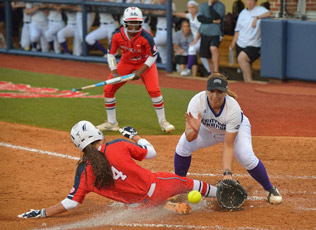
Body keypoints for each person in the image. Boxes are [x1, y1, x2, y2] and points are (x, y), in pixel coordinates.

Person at [17, 120, 217, 218]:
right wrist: (134, 135)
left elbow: (70, 203)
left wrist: (42, 212)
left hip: (138, 208)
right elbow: (151, 152)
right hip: (157, 188)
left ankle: (169, 206)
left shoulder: (83, 171)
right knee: (188, 183)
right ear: (97, 133)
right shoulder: (117, 145)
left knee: (135, 200)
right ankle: (221, 194)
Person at [173, 73, 283, 205]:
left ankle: (269, 188)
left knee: (246, 157)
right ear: (206, 90)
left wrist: (227, 173)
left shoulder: (233, 109)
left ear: (225, 92)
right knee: (182, 146)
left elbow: (228, 144)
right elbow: (189, 138)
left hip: (236, 130)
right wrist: (195, 130)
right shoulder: (197, 102)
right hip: (207, 130)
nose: (215, 95)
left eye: (219, 92)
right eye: (212, 91)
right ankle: (178, 185)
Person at [96, 7, 175, 133]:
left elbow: (153, 55)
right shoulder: (117, 35)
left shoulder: (146, 36)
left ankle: (163, 122)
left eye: (136, 22)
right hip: (126, 63)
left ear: (141, 23)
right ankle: (111, 123)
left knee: (154, 90)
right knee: (108, 89)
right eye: (131, 22)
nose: (133, 26)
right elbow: (111, 54)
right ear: (125, 22)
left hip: (145, 64)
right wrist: (114, 70)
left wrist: (141, 71)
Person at [230, 0, 270, 82]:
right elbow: (237, 30)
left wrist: (257, 18)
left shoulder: (260, 10)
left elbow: (270, 13)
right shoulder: (243, 13)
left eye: (252, 0)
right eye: (248, 0)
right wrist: (233, 42)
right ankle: (247, 85)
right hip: (241, 43)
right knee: (245, 65)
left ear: (255, 2)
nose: (250, 2)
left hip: (254, 44)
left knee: (242, 58)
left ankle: (250, 82)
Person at [173, 0, 210, 77]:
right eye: (189, 8)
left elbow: (200, 30)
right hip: (197, 40)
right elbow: (183, 14)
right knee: (203, 57)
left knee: (192, 48)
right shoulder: (190, 16)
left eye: (193, 7)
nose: (191, 9)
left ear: (197, 8)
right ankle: (210, 72)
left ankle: (189, 68)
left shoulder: (199, 16)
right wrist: (172, 13)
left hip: (202, 38)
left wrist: (195, 40)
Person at [197, 0, 225, 74]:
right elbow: (200, 18)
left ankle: (216, 71)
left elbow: (217, 17)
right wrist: (212, 21)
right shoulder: (203, 5)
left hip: (215, 33)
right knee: (207, 56)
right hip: (204, 33)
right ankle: (212, 73)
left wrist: (210, 6)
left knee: (213, 48)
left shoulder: (220, 5)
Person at [152, 0, 176, 64]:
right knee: (163, 56)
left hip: (167, 31)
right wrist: (154, 4)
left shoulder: (172, 4)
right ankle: (166, 71)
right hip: (159, 31)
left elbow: (163, 13)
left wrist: (154, 10)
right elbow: (150, 12)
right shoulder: (158, 4)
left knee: (150, 42)